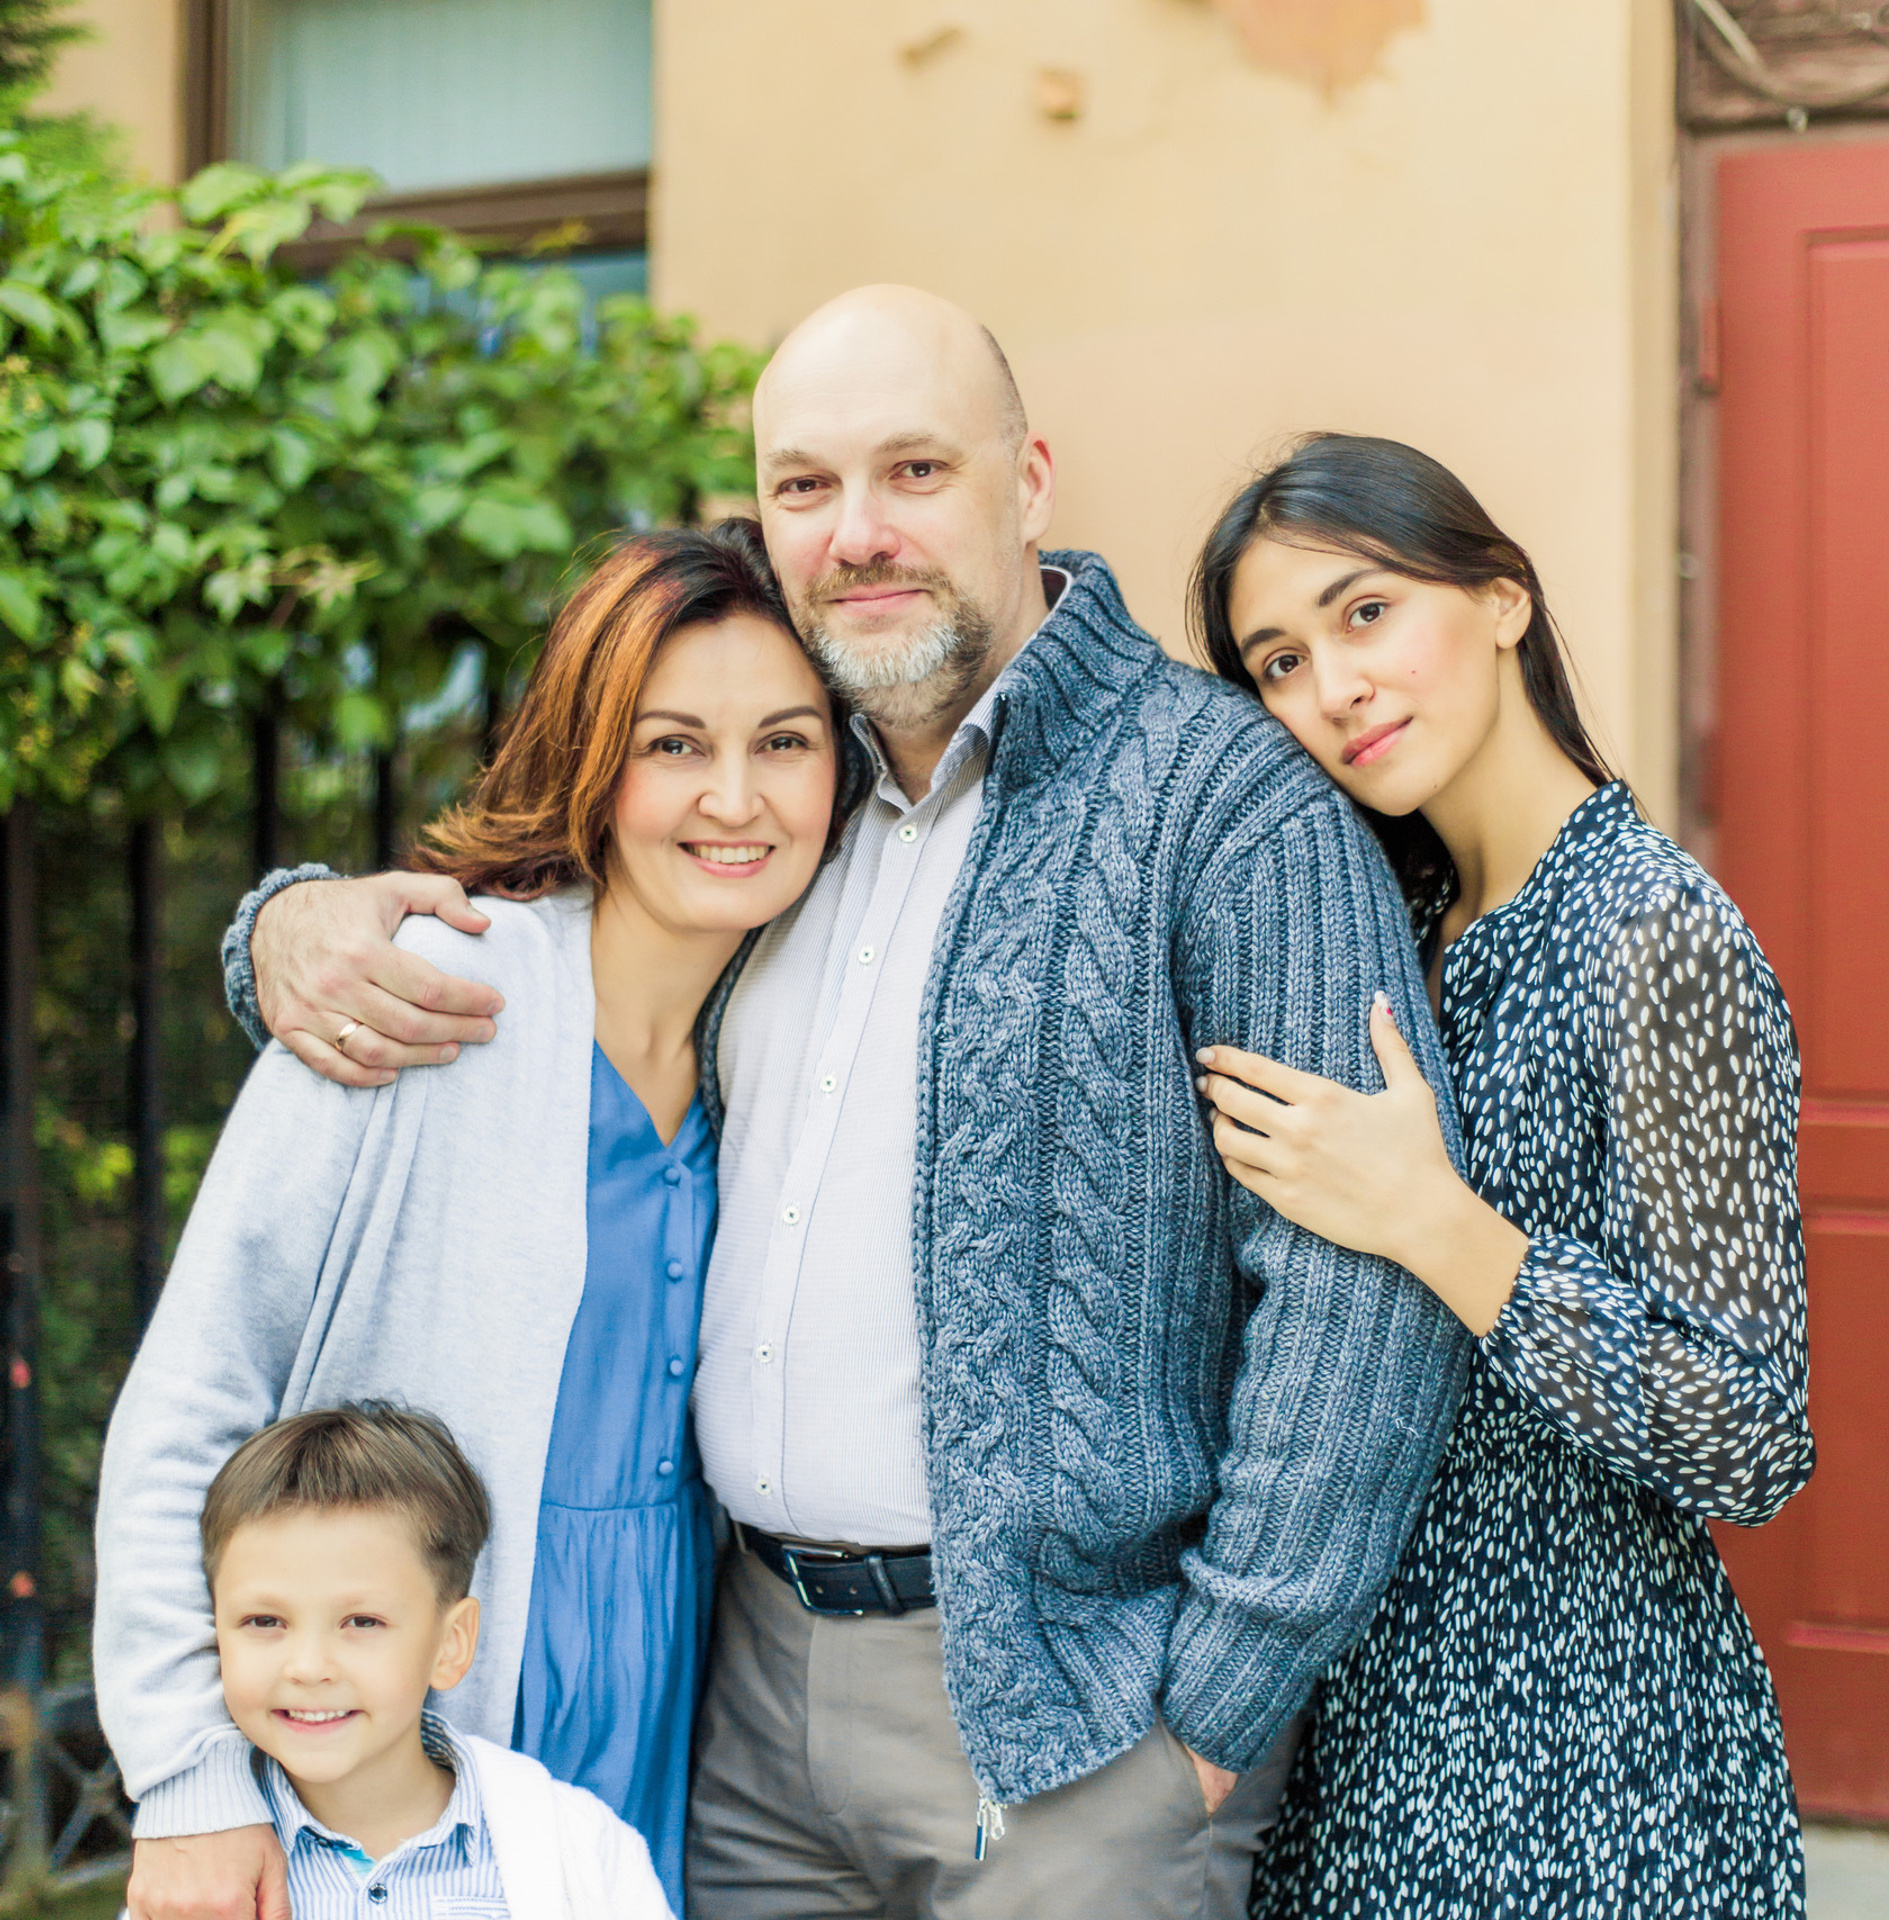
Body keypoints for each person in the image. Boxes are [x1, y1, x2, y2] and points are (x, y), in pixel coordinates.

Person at [219, 285, 1475, 1920]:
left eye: (914, 474)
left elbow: (1352, 1285)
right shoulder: (770, 798)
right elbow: (502, 907)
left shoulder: (1224, 805)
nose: (857, 531)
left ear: (1028, 480)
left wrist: (1213, 1722)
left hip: (1072, 1727)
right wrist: (284, 926)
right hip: (745, 1697)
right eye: (804, 487)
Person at [94, 522, 843, 1920]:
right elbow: (191, 1402)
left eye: (786, 743)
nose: (734, 797)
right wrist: (186, 1779)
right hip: (408, 1719)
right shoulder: (429, 993)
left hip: (661, 1703)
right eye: (673, 744)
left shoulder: (784, 1040)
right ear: (591, 758)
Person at [1185, 433, 1813, 1918]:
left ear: (1504, 599)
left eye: (1364, 613)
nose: (1331, 689)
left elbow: (1752, 1432)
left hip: (1583, 1756)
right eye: (1277, 660)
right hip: (1358, 1723)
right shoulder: (1381, 928)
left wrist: (1441, 1227)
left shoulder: (1649, 934)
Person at [191, 1402, 671, 1919]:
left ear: (451, 1644)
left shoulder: (577, 1847)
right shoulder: (204, 1869)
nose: (308, 1667)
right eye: (265, 1622)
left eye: (362, 1622)